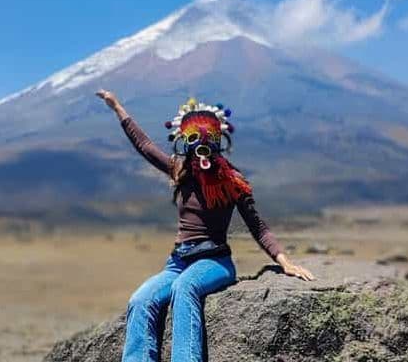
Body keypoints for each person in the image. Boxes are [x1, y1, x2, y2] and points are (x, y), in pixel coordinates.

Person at [96, 89, 314, 362]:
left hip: (215, 262)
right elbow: (145, 146)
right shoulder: (180, 170)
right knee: (141, 300)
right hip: (177, 262)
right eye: (193, 139)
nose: (202, 146)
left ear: (218, 140)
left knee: (184, 288)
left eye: (208, 139)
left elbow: (257, 226)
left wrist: (285, 262)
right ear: (184, 141)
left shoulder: (232, 180)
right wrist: (117, 107)